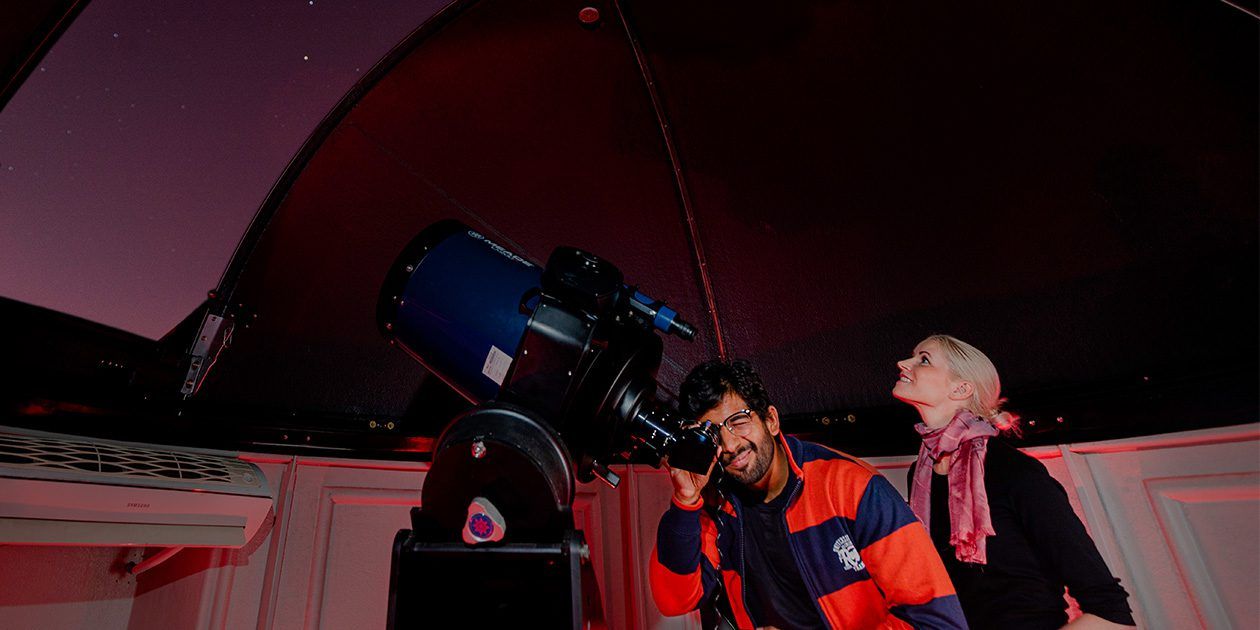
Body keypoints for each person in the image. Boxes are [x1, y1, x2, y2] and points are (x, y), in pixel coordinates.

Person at [651, 359, 967, 629]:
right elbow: (675, 600)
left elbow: (936, 621)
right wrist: (686, 501)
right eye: (715, 434)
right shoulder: (717, 506)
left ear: (770, 420)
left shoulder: (852, 486)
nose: (730, 445)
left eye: (739, 421)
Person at [894, 334, 1136, 629]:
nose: (903, 364)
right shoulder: (922, 473)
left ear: (961, 388)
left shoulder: (1015, 472)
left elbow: (1110, 611)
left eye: (924, 359)